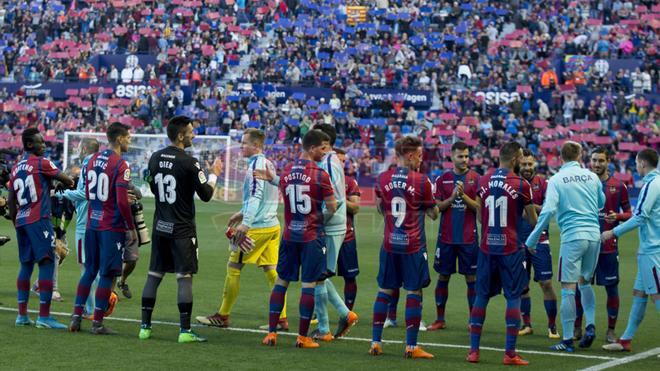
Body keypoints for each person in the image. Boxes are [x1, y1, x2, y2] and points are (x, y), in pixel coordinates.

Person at [138, 115, 220, 343]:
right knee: (184, 278)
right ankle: (185, 331)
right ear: (181, 135)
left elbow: (154, 190)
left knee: (154, 275)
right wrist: (214, 175)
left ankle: (144, 327)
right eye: (191, 131)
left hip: (160, 226)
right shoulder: (189, 162)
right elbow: (206, 195)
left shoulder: (154, 158)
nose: (194, 134)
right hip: (182, 229)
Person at [196, 128, 287, 330]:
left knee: (234, 268)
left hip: (257, 227)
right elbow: (264, 197)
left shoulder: (256, 167)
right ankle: (281, 319)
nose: (241, 146)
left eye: (245, 143)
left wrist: (245, 223)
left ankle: (223, 315)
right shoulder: (268, 163)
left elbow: (255, 197)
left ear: (256, 145)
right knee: (271, 270)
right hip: (272, 225)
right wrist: (241, 212)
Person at [261, 129, 337, 349]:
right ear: (311, 148)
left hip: (289, 235)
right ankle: (302, 337)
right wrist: (319, 218)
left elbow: (284, 189)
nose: (325, 152)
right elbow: (332, 206)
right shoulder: (321, 175)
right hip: (311, 236)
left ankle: (271, 334)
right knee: (309, 285)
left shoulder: (286, 171)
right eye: (322, 148)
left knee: (281, 282)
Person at [526, 141, 605, 352]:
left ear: (561, 157)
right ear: (580, 155)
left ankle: (568, 339)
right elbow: (601, 202)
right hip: (594, 235)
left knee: (568, 289)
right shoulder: (592, 176)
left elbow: (548, 210)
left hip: (573, 236)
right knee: (585, 282)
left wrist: (533, 239)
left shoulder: (557, 180)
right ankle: (590, 325)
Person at [467, 142, 537, 366]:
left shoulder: (483, 180)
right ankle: (509, 353)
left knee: (482, 296)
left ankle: (474, 352)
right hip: (511, 249)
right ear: (516, 159)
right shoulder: (521, 184)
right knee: (513, 297)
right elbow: (533, 220)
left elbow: (479, 216)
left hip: (487, 247)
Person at [368, 136, 438, 359]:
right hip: (413, 245)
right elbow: (434, 214)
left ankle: (376, 342)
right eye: (419, 155)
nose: (421, 159)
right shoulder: (421, 180)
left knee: (384, 291)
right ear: (409, 155)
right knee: (413, 291)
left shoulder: (383, 177)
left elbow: (380, 208)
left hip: (389, 244)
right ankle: (411, 347)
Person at [69, 123, 137, 335]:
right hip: (111, 226)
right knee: (107, 274)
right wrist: (131, 227)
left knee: (89, 271)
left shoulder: (90, 162)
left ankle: (75, 318)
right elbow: (122, 202)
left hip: (92, 223)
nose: (130, 141)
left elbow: (88, 193)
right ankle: (97, 323)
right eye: (128, 137)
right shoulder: (121, 165)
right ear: (119, 139)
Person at [8, 128, 74, 329]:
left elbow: (11, 201)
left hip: (21, 220)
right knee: (46, 263)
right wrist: (61, 181)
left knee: (26, 265)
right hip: (39, 219)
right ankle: (44, 317)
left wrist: (16, 221)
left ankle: (22, 316)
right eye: (41, 142)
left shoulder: (16, 167)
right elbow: (68, 180)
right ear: (29, 144)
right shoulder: (42, 162)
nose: (44, 145)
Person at [601, 149, 659, 352]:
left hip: (653, 250)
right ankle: (626, 340)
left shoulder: (652, 184)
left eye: (636, 162)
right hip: (649, 249)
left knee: (657, 296)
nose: (636, 166)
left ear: (642, 163)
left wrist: (613, 232)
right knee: (639, 295)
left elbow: (641, 216)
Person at [577, 147, 631, 343]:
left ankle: (610, 330)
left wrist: (618, 216)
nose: (597, 164)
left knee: (611, 288)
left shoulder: (619, 185)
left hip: (608, 246)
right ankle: (577, 327)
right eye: (594, 160)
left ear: (608, 161)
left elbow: (630, 214)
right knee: (579, 287)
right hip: (585, 243)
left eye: (601, 160)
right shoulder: (582, 183)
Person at [310, 123, 357, 341]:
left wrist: (317, 220)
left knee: (318, 275)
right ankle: (342, 316)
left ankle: (325, 328)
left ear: (324, 143)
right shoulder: (331, 161)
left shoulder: (329, 163)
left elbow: (335, 200)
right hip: (334, 224)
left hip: (330, 225)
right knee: (319, 275)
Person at [429, 141, 480, 331]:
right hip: (447, 237)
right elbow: (435, 209)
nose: (464, 159)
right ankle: (440, 319)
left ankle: (473, 320)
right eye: (460, 156)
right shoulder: (443, 180)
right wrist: (451, 198)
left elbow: (480, 209)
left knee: (471, 279)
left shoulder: (476, 178)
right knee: (443, 277)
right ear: (452, 157)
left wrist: (463, 196)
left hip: (469, 238)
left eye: (467, 156)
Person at [517, 150, 560, 339]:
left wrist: (527, 203)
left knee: (546, 283)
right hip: (518, 241)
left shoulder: (543, 183)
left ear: (534, 164)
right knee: (522, 286)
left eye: (529, 164)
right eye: (524, 164)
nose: (527, 168)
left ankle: (552, 325)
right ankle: (526, 324)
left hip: (540, 239)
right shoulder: (513, 183)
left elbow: (548, 210)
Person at [60, 138, 100, 316]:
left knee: (87, 267)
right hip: (100, 220)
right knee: (96, 266)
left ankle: (91, 309)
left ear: (84, 148)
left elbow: (84, 193)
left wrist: (63, 192)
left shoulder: (87, 165)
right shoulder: (101, 164)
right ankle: (98, 305)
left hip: (86, 222)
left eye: (78, 147)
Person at [335, 148, 361, 310]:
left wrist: (338, 199)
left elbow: (356, 208)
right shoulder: (320, 179)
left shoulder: (349, 182)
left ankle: (348, 312)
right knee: (317, 277)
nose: (342, 164)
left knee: (350, 277)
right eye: (339, 160)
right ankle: (317, 312)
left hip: (346, 236)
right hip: (322, 236)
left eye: (344, 161)